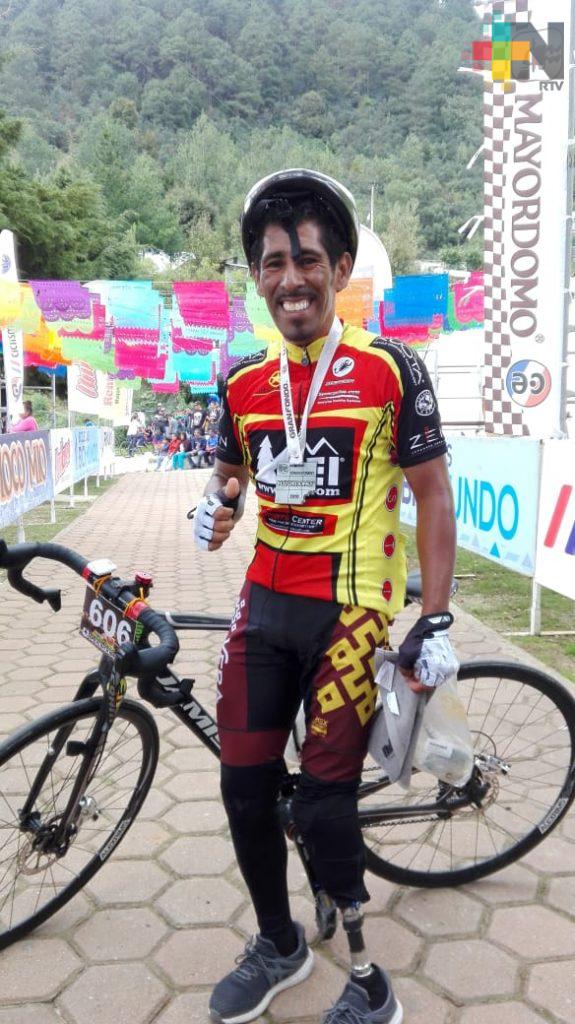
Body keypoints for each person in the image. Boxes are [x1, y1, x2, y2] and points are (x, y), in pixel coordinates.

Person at [192, 169, 457, 1024]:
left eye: (307, 259)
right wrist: (217, 506)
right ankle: (279, 943)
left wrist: (435, 617)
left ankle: (370, 981)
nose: (290, 279)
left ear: (340, 269)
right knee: (242, 787)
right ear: (256, 276)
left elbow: (433, 498)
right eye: (272, 263)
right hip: (263, 606)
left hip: (351, 613)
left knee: (321, 803)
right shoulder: (242, 380)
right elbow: (231, 475)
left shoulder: (390, 368)